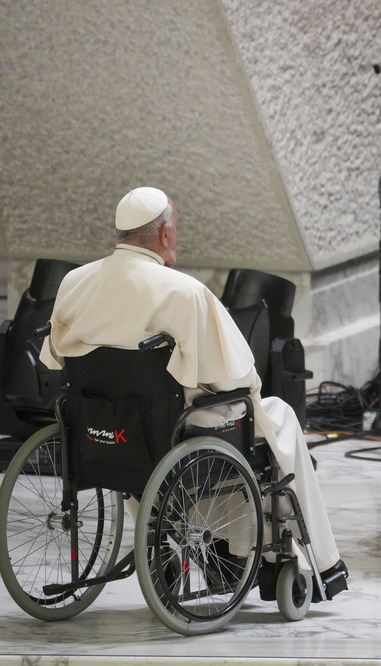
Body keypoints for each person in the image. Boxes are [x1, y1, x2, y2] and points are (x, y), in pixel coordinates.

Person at [41, 186, 348, 601]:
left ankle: (223, 551)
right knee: (274, 417)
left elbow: (55, 356)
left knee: (197, 432)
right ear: (165, 235)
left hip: (102, 432)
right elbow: (235, 378)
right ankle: (303, 561)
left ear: (120, 231)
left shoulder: (75, 282)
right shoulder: (183, 292)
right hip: (168, 432)